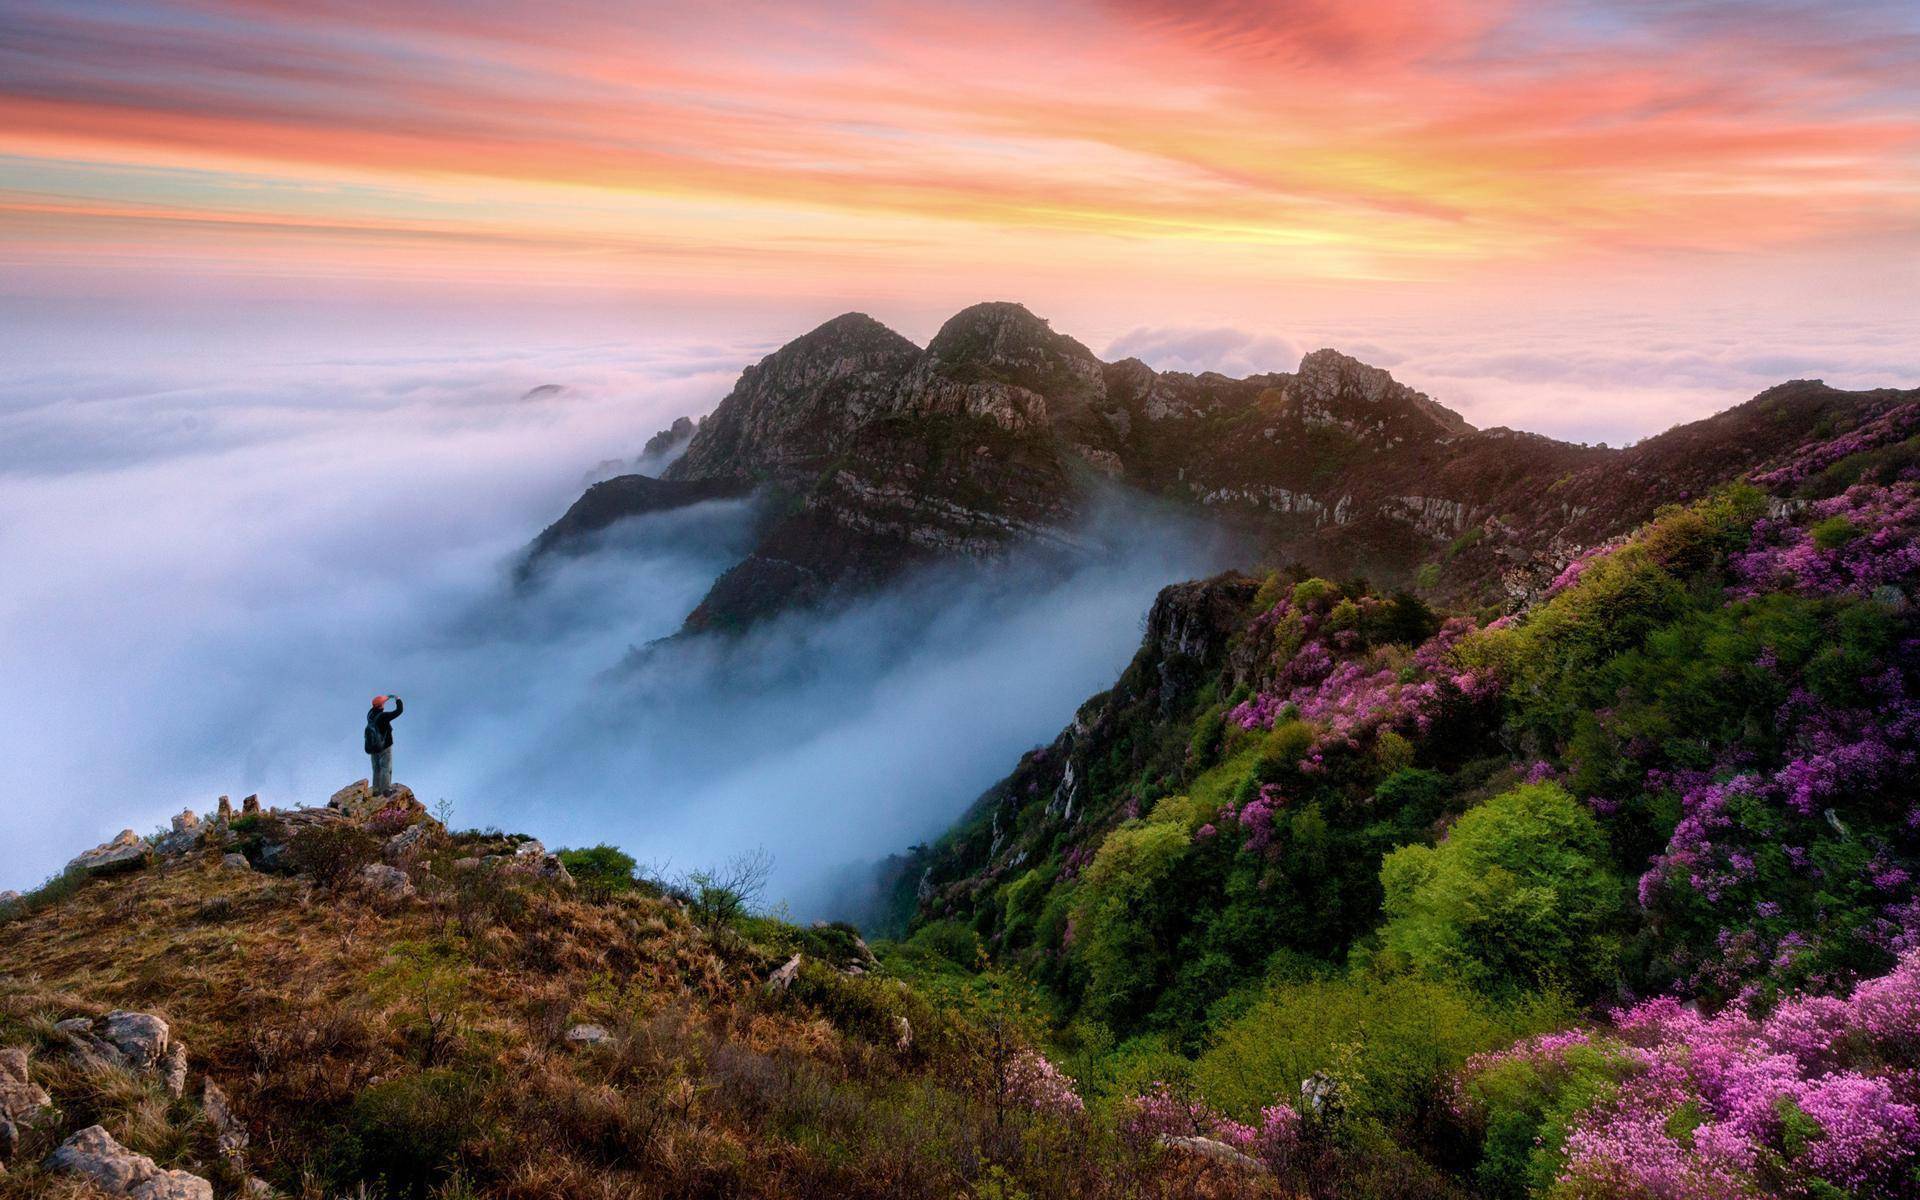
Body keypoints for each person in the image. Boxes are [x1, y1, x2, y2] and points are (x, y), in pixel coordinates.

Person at [365, 694, 404, 795]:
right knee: (386, 768)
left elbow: (376, 704)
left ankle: (376, 790)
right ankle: (386, 790)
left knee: (376, 768)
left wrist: (387, 696)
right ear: (382, 705)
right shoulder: (384, 716)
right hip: (384, 746)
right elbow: (399, 711)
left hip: (373, 747)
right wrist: (398, 699)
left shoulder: (370, 714)